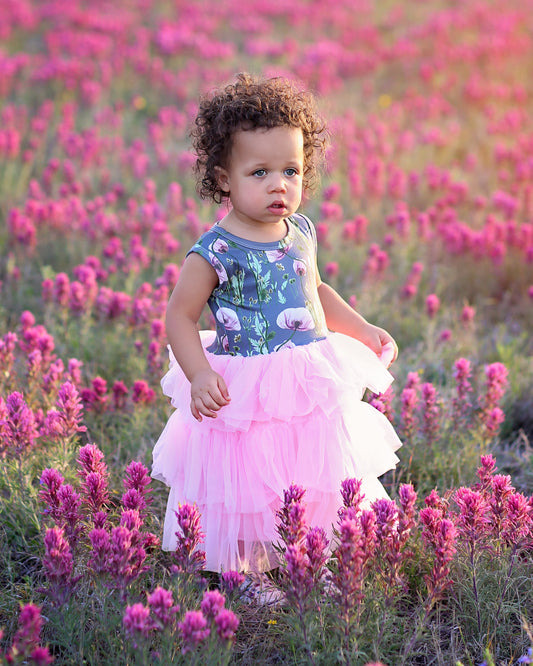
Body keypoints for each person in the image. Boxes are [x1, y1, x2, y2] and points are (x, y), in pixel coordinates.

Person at [152, 73, 402, 574]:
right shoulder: (216, 250)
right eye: (259, 172)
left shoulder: (300, 232)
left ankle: (314, 555)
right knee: (248, 481)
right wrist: (200, 373)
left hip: (306, 378)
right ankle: (246, 567)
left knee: (313, 470)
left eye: (291, 170)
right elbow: (178, 316)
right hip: (245, 385)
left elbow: (315, 291)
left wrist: (362, 328)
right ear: (224, 178)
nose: (278, 185)